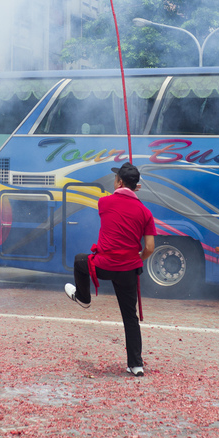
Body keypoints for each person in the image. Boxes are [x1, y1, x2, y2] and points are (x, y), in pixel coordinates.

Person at [64, 162, 156, 377]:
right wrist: (139, 257)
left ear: (120, 182)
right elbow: (150, 248)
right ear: (135, 186)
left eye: (116, 179)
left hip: (104, 266)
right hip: (129, 270)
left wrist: (128, 192)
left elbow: (116, 200)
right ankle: (136, 365)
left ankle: (84, 298)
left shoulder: (104, 202)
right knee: (130, 318)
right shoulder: (145, 212)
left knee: (80, 261)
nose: (114, 182)